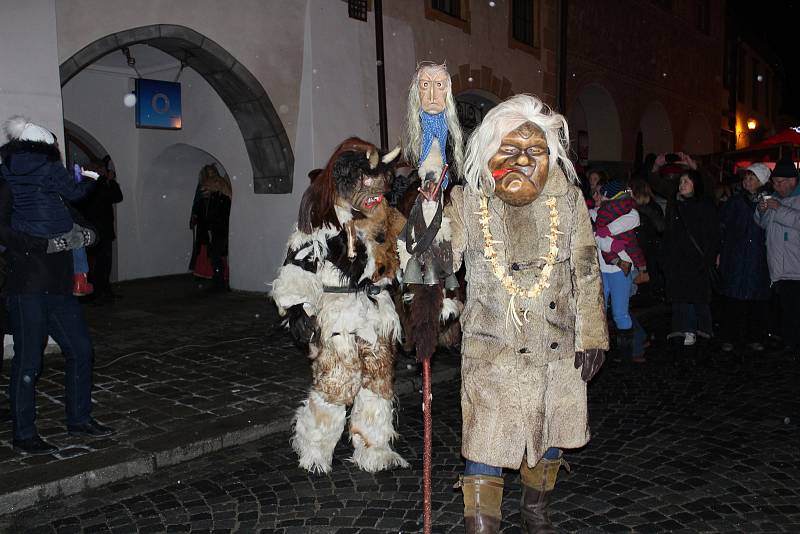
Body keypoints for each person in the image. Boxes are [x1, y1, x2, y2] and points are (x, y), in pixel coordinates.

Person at [444, 95, 608, 532]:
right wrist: (426, 219)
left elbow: (587, 271)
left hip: (557, 352)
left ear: (551, 157)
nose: (522, 161)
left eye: (534, 151)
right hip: (491, 353)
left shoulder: (568, 202)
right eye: (509, 150)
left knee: (552, 438)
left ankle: (536, 510)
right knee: (485, 444)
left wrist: (593, 336)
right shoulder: (466, 201)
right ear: (489, 152)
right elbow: (438, 262)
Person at [271, 138, 409, 474]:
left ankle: (373, 449)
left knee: (378, 385)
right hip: (337, 319)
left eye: (381, 187)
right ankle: (315, 448)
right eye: (369, 186)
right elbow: (298, 267)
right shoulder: (322, 222)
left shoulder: (384, 222)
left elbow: (405, 260)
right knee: (335, 386)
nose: (377, 194)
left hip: (376, 316)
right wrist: (297, 308)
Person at [0, 128, 115, 454]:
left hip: (61, 287)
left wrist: (88, 236)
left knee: (81, 350)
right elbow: (3, 232)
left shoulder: (55, 184)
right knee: (28, 362)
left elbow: (80, 220)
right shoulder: (10, 183)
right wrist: (44, 245)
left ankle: (79, 419)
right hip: (28, 286)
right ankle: (24, 434)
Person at [1, 117, 97, 297]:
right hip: (53, 226)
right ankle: (80, 280)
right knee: (78, 234)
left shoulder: (6, 166)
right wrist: (90, 179)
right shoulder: (50, 164)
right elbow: (74, 193)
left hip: (24, 227)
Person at [590, 180, 647, 363]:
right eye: (595, 193)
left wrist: (604, 232)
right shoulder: (595, 215)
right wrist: (609, 241)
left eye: (600, 193)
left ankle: (627, 355)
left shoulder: (628, 214)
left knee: (620, 313)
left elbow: (634, 218)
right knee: (598, 312)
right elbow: (596, 237)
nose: (595, 197)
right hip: (601, 269)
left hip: (619, 269)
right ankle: (599, 354)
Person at [717, 163, 771, 353]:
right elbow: (722, 227)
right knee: (733, 299)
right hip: (736, 255)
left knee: (756, 300)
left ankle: (754, 336)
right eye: (746, 177)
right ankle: (729, 337)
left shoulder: (767, 202)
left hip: (758, 257)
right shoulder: (735, 202)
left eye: (752, 178)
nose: (747, 181)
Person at [663, 170, 719, 347]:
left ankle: (701, 329)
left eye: (687, 181)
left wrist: (711, 255)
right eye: (680, 181)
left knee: (697, 295)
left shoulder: (704, 204)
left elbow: (713, 233)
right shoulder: (675, 205)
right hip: (678, 257)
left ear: (696, 184)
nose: (682, 184)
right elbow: (670, 232)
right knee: (682, 294)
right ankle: (683, 328)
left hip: (697, 258)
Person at [754, 156, 800, 355]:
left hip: (795, 265)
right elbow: (763, 224)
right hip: (778, 265)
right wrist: (761, 211)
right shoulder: (775, 198)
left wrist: (779, 209)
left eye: (779, 183)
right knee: (785, 309)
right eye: (774, 183)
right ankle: (788, 342)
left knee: (794, 309)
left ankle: (793, 344)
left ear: (792, 181)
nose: (776, 186)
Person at [76, 159, 123, 303]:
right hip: (95, 230)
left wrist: (110, 182)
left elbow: (117, 197)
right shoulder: (92, 184)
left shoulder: (100, 183)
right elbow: (108, 197)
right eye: (101, 169)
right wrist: (107, 181)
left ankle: (104, 290)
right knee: (97, 263)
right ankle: (96, 292)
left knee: (105, 262)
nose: (104, 171)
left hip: (103, 229)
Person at [189, 164, 232, 291]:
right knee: (213, 254)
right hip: (211, 226)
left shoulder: (222, 195)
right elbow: (200, 206)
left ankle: (219, 281)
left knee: (217, 255)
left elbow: (222, 211)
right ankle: (216, 280)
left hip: (220, 227)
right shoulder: (211, 194)